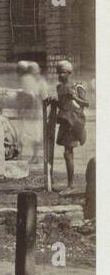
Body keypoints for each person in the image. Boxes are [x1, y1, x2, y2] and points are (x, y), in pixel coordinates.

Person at [51, 59, 87, 189]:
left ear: (70, 73)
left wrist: (74, 97)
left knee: (68, 153)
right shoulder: (59, 87)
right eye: (59, 72)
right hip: (64, 122)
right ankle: (70, 184)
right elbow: (63, 105)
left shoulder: (77, 86)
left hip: (74, 123)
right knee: (66, 153)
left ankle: (71, 185)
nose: (60, 75)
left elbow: (86, 103)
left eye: (63, 72)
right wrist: (54, 101)